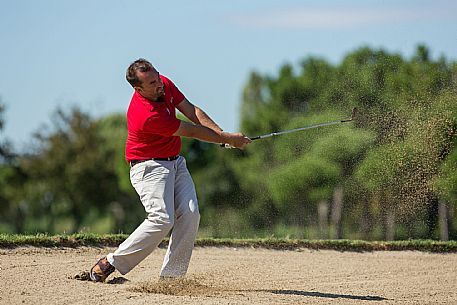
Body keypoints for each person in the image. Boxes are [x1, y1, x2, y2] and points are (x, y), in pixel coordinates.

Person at [89, 58, 251, 282]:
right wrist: (228, 139)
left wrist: (221, 135)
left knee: (191, 213)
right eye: (152, 82)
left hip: (174, 162)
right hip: (148, 167)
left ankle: (171, 278)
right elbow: (191, 131)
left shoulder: (163, 84)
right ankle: (111, 262)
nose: (159, 84)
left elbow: (191, 110)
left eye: (157, 77)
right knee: (162, 219)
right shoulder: (146, 114)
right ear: (139, 89)